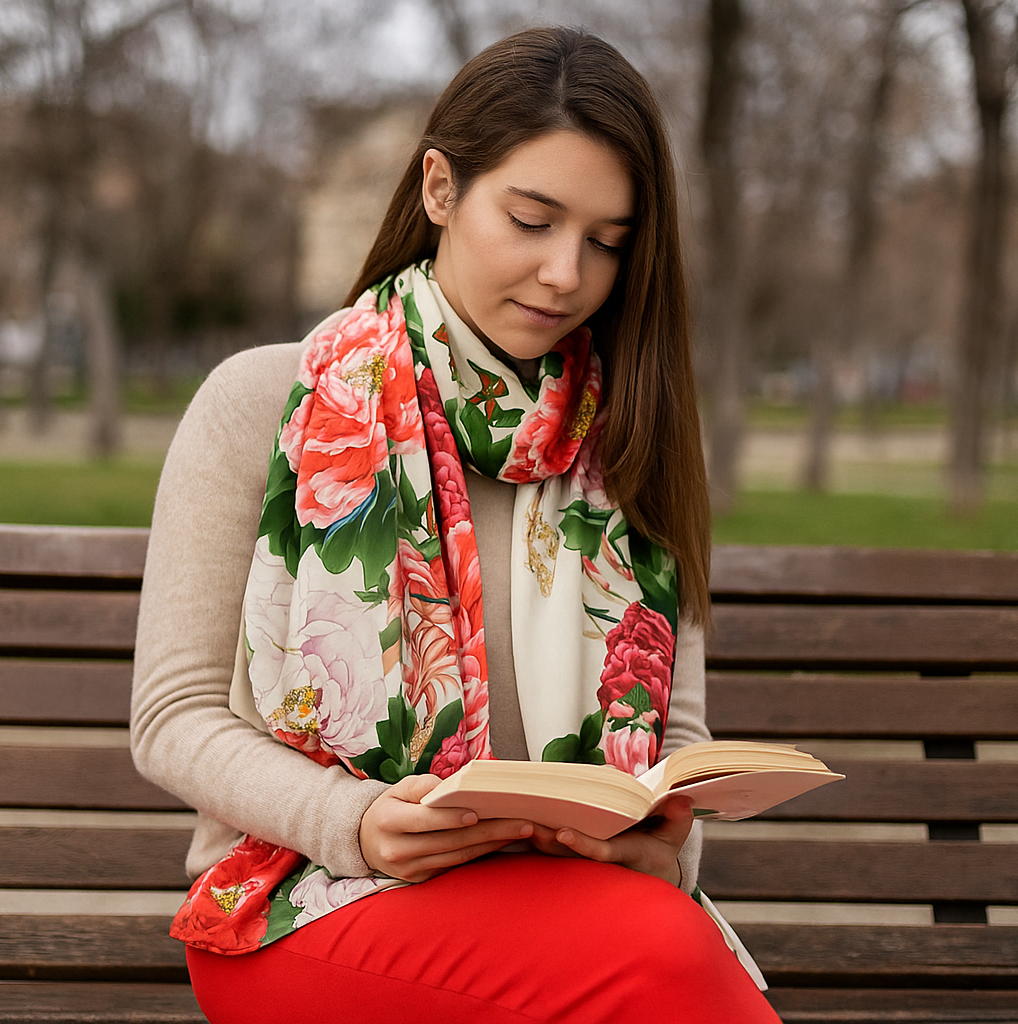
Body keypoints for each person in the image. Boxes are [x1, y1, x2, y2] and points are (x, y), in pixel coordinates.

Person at [131, 25, 781, 1024]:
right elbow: (171, 718)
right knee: (664, 970)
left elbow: (673, 738)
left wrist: (660, 844)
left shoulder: (636, 436)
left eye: (607, 241)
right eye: (532, 219)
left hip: (580, 908)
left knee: (659, 952)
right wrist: (351, 818)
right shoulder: (266, 397)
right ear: (439, 188)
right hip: (309, 902)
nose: (567, 273)